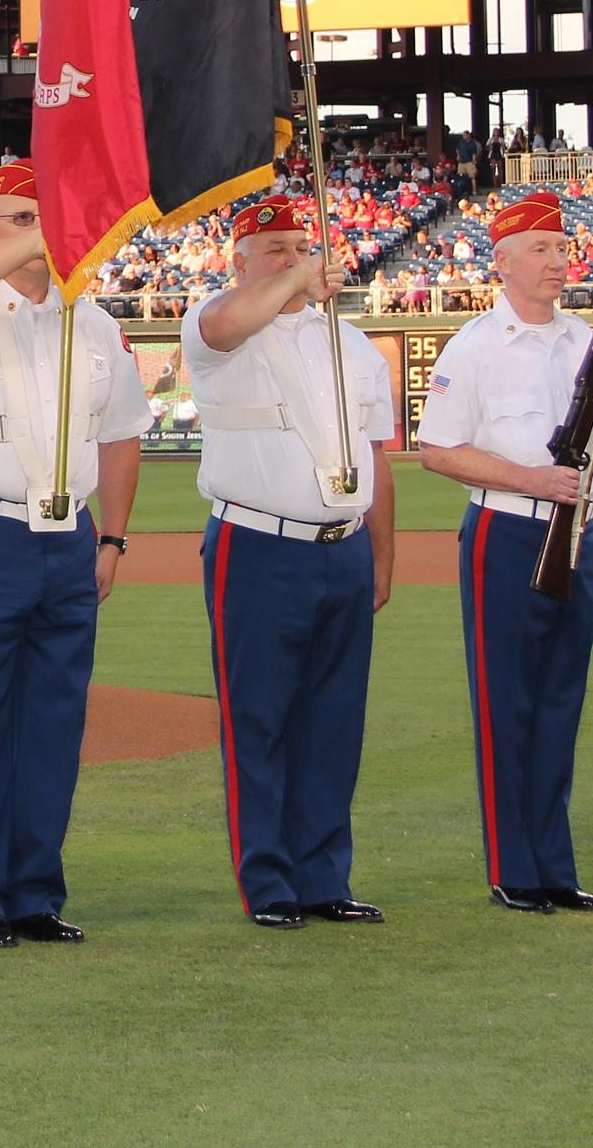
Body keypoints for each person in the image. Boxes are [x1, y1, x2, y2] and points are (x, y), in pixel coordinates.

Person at [0, 162, 149, 948]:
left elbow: (120, 434)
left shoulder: (94, 322)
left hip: (69, 535)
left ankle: (35, 891)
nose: (24, 231)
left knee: (53, 723)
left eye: (36, 215)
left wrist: (112, 537)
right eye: (9, 218)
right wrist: (39, 237)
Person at [181, 196, 401, 930]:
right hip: (258, 546)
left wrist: (382, 553)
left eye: (300, 247)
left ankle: (324, 876)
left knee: (334, 722)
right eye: (274, 249)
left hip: (343, 547)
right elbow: (227, 323)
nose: (294, 259)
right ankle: (269, 882)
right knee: (260, 720)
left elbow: (374, 456)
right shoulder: (217, 325)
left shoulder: (351, 343)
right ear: (239, 262)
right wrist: (297, 278)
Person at [414, 193, 593, 915]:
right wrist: (531, 479)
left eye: (563, 248)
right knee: (506, 704)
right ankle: (514, 869)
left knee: (560, 703)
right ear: (502, 262)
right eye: (540, 249)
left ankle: (555, 867)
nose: (558, 261)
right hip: (508, 532)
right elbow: (437, 450)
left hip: (577, 533)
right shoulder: (475, 346)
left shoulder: (583, 339)